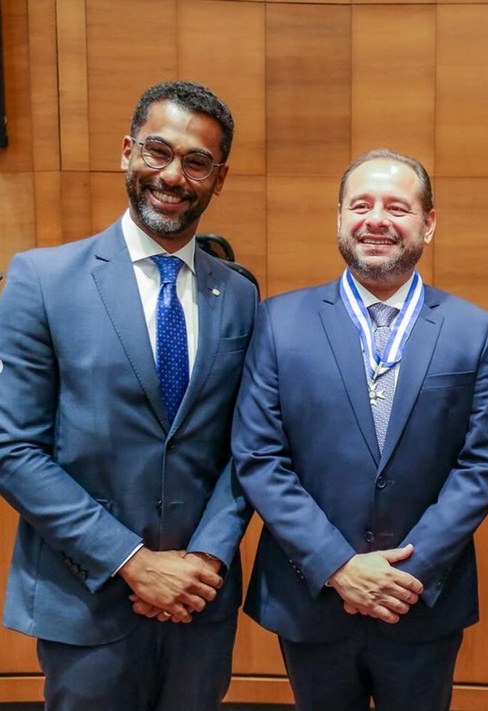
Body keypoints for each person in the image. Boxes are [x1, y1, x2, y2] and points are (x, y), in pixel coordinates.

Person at [0, 80, 257, 710]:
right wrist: (133, 562)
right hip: (84, 599)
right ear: (126, 151)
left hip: (201, 601)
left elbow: (248, 448)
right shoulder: (41, 280)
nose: (173, 175)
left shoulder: (242, 295)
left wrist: (205, 560)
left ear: (218, 179)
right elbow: (13, 449)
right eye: (157, 152)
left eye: (196, 162)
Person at [232, 148, 488, 711]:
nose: (376, 220)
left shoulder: (470, 329)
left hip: (421, 599)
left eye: (397, 207)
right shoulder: (278, 322)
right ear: (339, 219)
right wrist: (338, 565)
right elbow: (260, 456)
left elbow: (480, 465)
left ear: (429, 223)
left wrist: (409, 572)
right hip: (313, 595)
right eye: (361, 205)